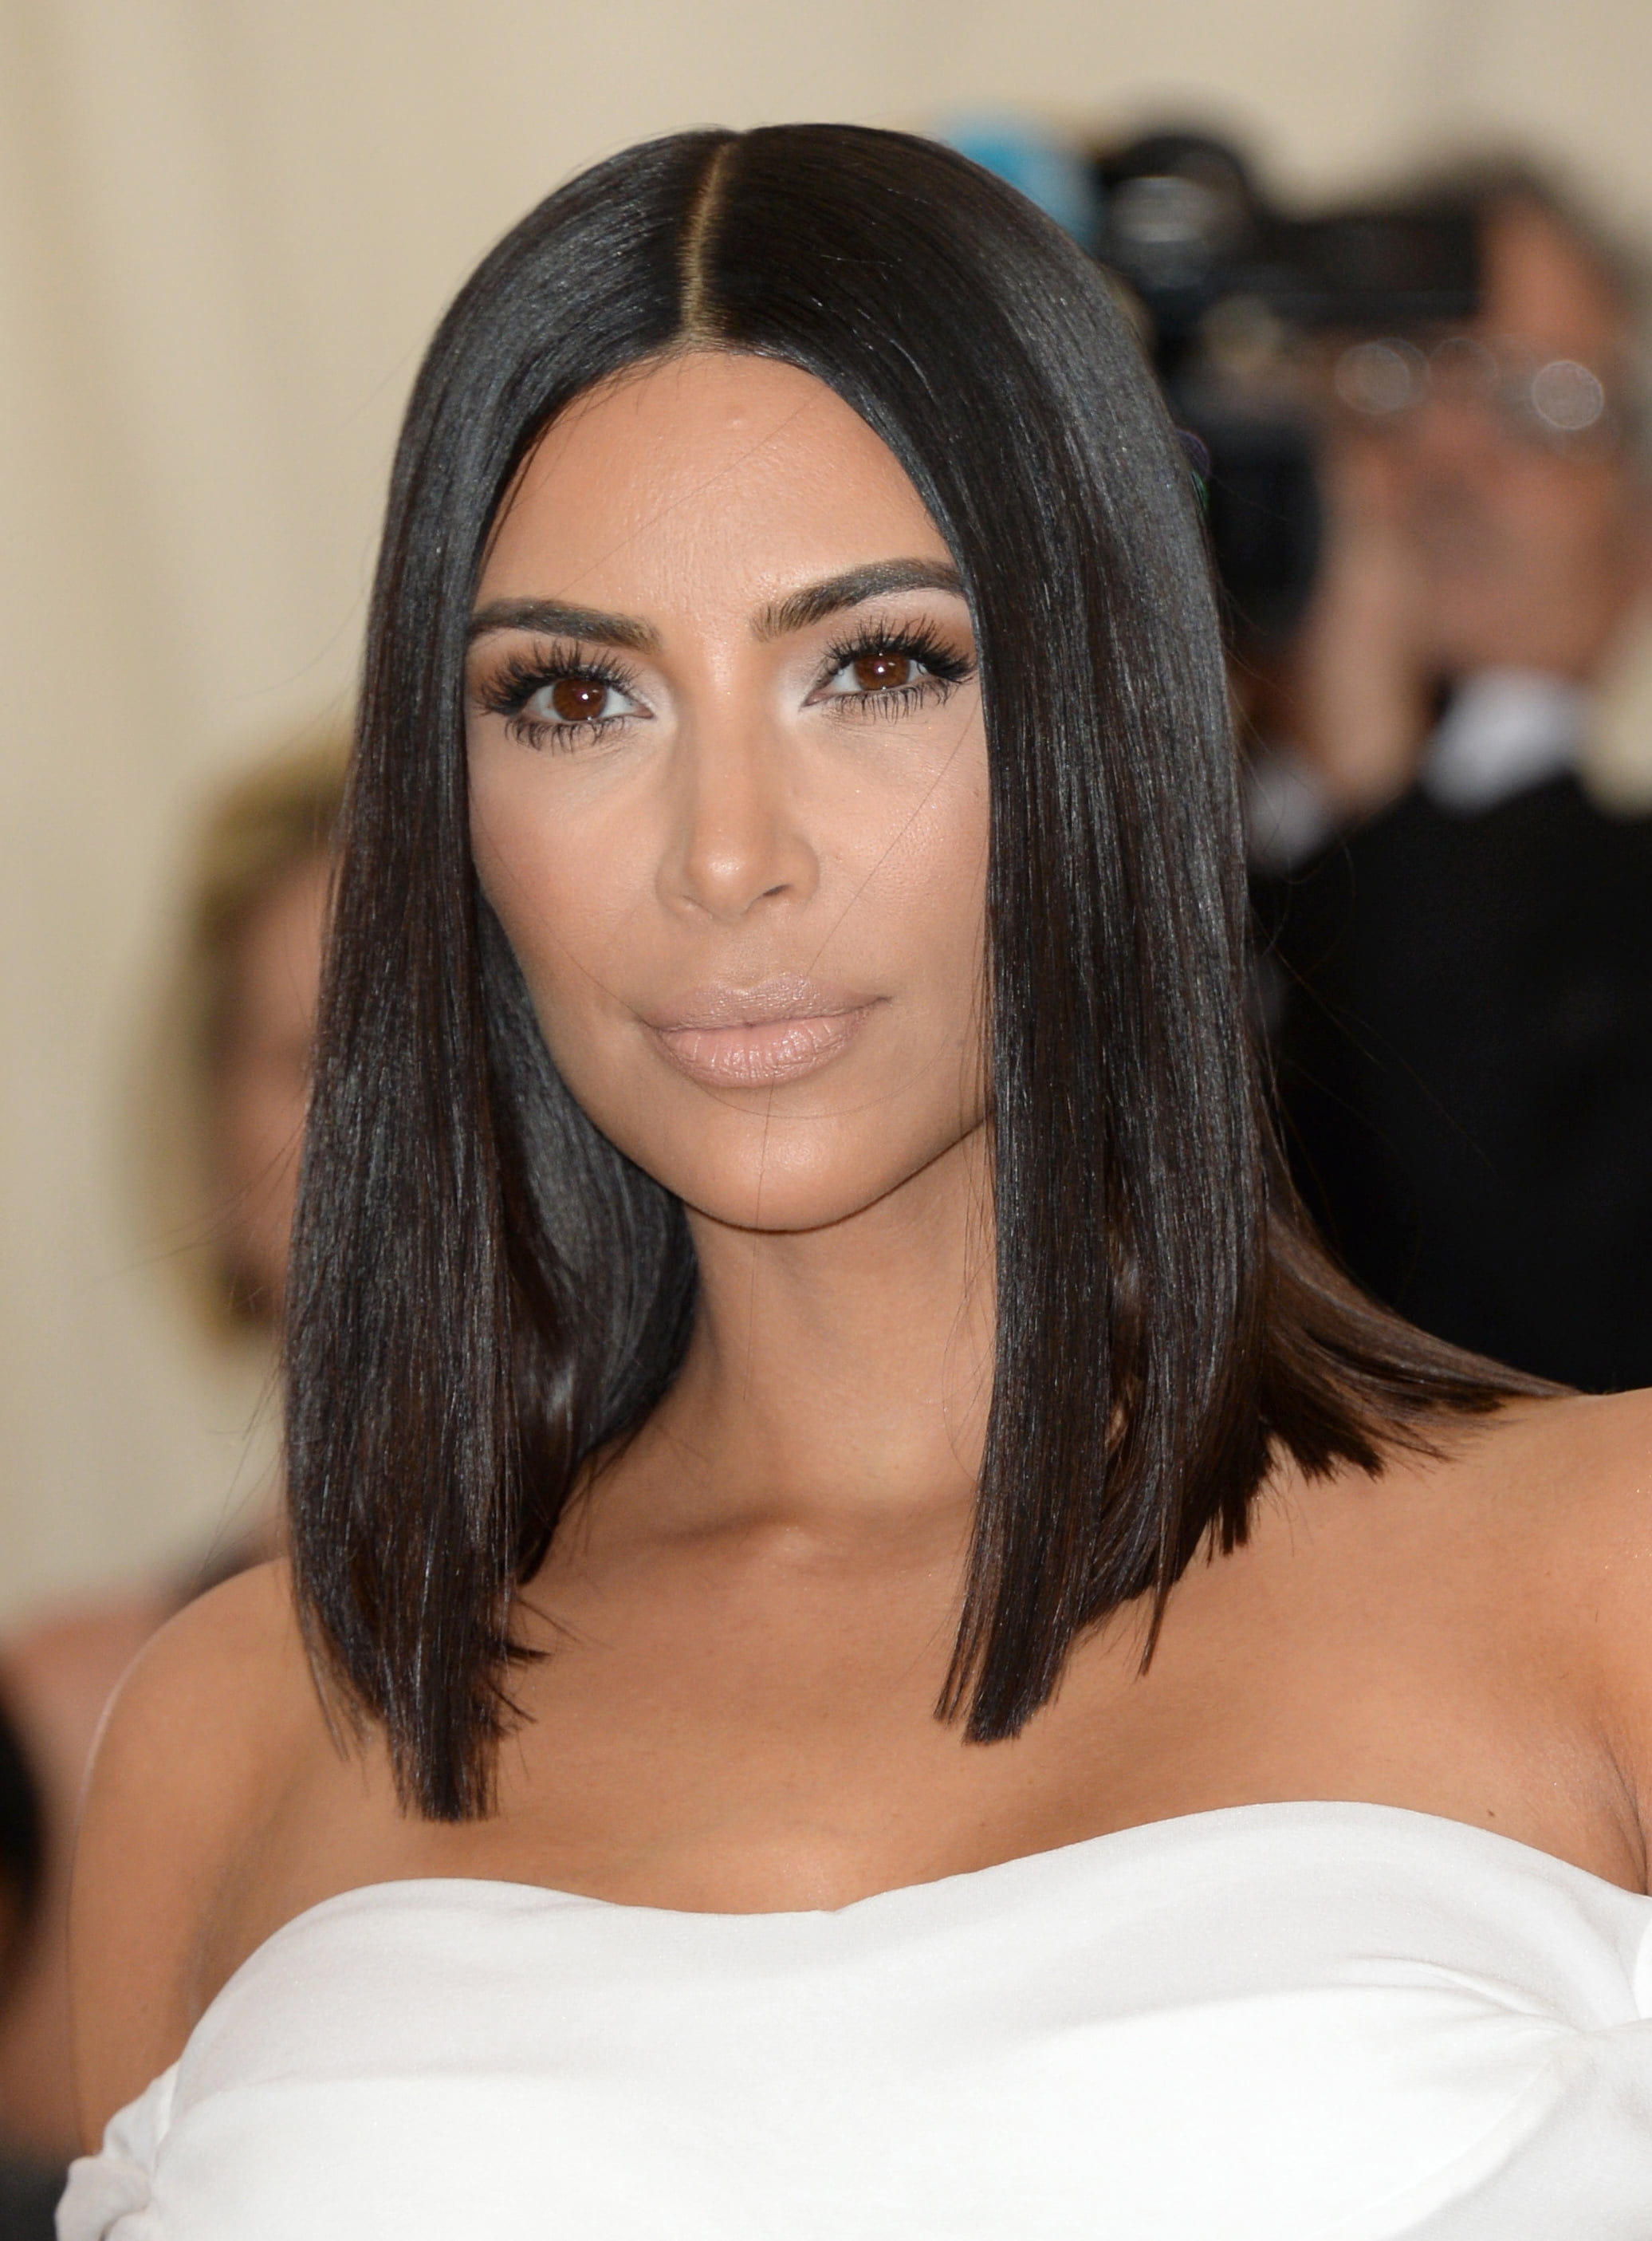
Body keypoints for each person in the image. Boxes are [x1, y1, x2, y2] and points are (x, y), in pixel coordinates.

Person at [57, 125, 1652, 2238]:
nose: (728, 854)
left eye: (877, 665)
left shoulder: (1605, 1576)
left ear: (1108, 712)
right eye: (578, 696)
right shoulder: (233, 1732)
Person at [0, 738, 342, 2183]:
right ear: (212, 1127)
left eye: (453, 1054)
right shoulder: (62, 1721)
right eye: (316, 1059)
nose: (389, 1134)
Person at [1253, 163, 1652, 1389]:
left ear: (1638, 533)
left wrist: (1375, 786)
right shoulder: (1127, 839)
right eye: (1395, 376)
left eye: (1542, 406)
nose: (1447, 451)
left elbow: (1558, 1337)